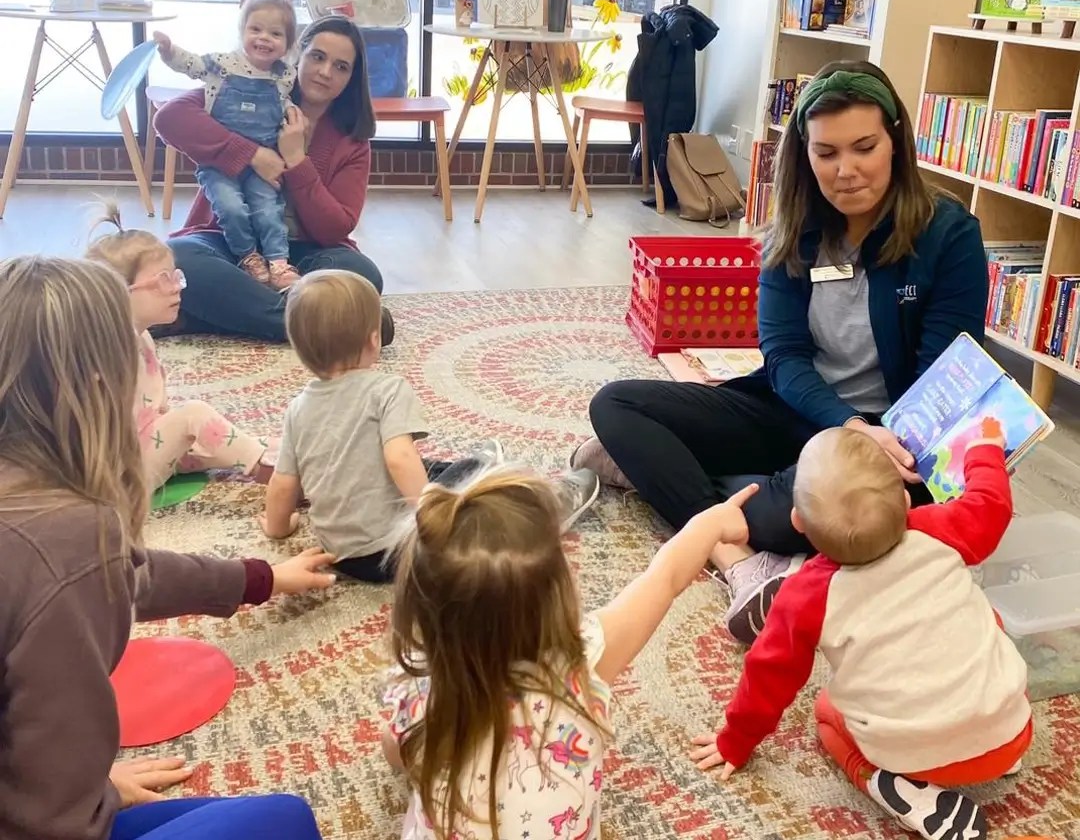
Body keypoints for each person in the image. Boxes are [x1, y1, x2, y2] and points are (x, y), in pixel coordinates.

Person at [583, 60, 989, 644]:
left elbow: (939, 379)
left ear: (896, 141)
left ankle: (666, 475)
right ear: (806, 155)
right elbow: (785, 360)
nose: (846, 171)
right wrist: (844, 421)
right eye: (827, 154)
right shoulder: (793, 229)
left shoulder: (949, 234)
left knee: (827, 518)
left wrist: (866, 436)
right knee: (617, 405)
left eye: (864, 147)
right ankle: (736, 556)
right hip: (799, 411)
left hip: (890, 441)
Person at [0, 255, 338, 840]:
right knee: (285, 821)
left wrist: (263, 578)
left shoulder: (56, 531)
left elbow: (127, 576)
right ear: (105, 384)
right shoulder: (67, 535)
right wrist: (83, 788)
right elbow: (56, 812)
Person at [688, 426, 1031, 840]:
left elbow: (767, 679)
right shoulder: (940, 529)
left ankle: (903, 791)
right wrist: (985, 451)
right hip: (1014, 733)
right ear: (904, 501)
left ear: (798, 522)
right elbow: (989, 503)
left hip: (917, 756)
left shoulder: (803, 596)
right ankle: (994, 747)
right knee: (985, 619)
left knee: (828, 712)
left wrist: (735, 741)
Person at [382, 465, 760, 839]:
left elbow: (396, 751)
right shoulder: (583, 661)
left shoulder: (417, 686)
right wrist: (708, 525)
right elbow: (665, 578)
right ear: (557, 593)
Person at [260, 270, 600, 582]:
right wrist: (430, 521)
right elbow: (399, 459)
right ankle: (517, 492)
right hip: (398, 550)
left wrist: (278, 527)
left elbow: (283, 482)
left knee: (390, 460)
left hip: (343, 556)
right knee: (460, 477)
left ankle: (471, 470)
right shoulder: (386, 389)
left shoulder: (297, 408)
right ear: (374, 340)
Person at [154, 14, 393, 345]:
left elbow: (335, 227)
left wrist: (296, 161)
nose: (325, 72)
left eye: (341, 67)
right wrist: (253, 154)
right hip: (232, 245)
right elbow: (169, 118)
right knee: (178, 258)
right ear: (297, 55)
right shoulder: (249, 89)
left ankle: (218, 313)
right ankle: (334, 325)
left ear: (351, 79)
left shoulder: (352, 140)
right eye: (318, 57)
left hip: (303, 254)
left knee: (363, 275)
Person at [86, 204, 274, 492]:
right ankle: (276, 476)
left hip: (143, 452)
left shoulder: (143, 338)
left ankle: (279, 455)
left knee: (219, 439)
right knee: (194, 417)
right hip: (118, 475)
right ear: (117, 291)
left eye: (176, 276)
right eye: (163, 279)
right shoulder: (101, 347)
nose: (177, 287)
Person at [154, 0, 300, 290]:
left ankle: (279, 262)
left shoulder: (284, 76)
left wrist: (294, 123)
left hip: (264, 165)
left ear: (287, 43)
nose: (264, 39)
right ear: (242, 31)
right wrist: (169, 50)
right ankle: (247, 256)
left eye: (275, 34)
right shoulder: (222, 65)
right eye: (255, 29)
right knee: (231, 207)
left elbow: (284, 106)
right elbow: (191, 64)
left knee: (267, 208)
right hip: (219, 165)